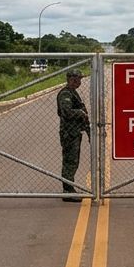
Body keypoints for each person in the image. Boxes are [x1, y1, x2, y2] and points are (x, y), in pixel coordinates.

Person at [56, 68, 89, 201]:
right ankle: (68, 190)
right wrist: (80, 113)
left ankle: (69, 188)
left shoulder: (73, 92)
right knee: (70, 161)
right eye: (78, 79)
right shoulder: (65, 94)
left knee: (73, 161)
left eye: (80, 79)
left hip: (74, 132)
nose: (79, 82)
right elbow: (67, 112)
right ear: (71, 79)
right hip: (69, 133)